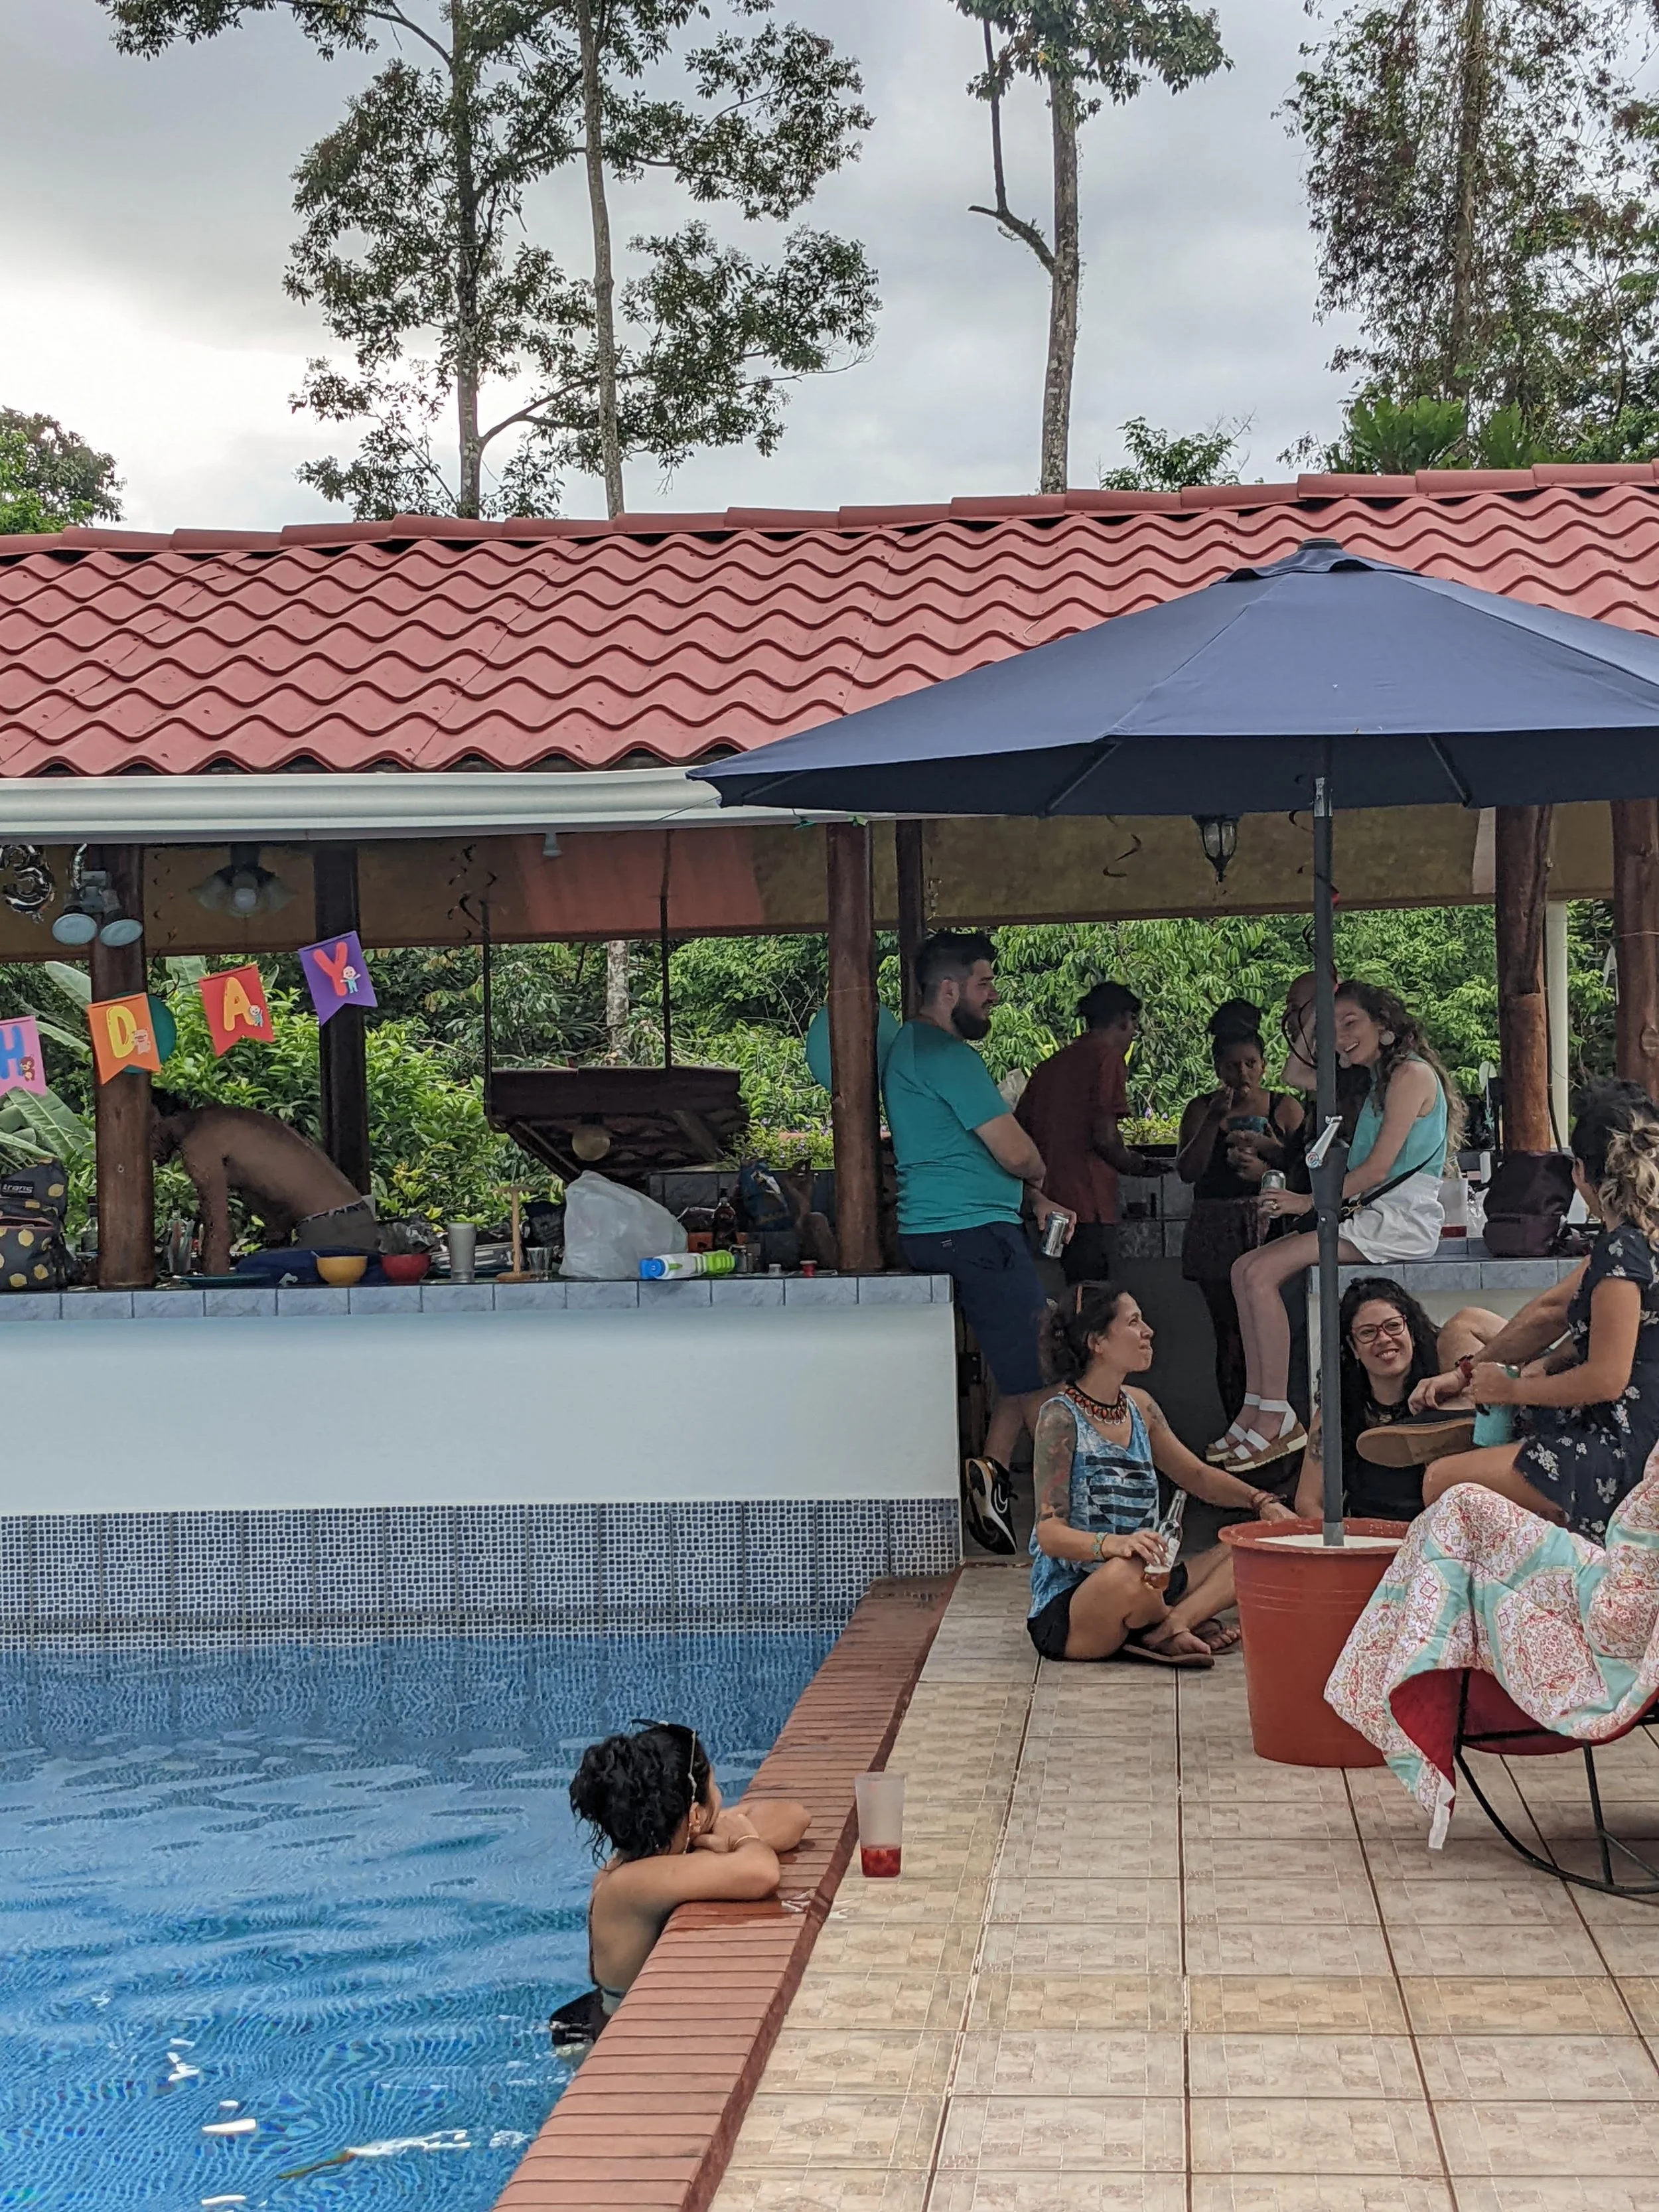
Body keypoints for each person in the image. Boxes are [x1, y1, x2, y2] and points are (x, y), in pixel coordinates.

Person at [1327, 1467, 1659, 1846]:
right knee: (1458, 1507)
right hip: (1622, 1582)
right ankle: (1396, 1690)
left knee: (1458, 1503)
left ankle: (1397, 1696)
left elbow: (1631, 1595)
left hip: (1624, 1618)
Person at [1219, 981, 1461, 1472]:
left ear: (1386, 1026)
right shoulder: (1373, 1079)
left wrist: (1302, 1200)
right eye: (1335, 1028)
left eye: (1352, 1023)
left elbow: (1377, 1169)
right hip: (1374, 1215)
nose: (1342, 1037)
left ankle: (1277, 1414)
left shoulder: (1411, 1075)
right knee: (1245, 1268)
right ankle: (1258, 1407)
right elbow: (1294, 1071)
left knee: (1262, 1273)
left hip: (1398, 1220)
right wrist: (1318, 1014)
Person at [887, 931, 1075, 1556]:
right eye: (985, 982)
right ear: (950, 989)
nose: (993, 995)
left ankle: (989, 1477)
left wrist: (1030, 1196)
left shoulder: (911, 1049)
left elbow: (965, 1153)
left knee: (1016, 1357)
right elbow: (1016, 1150)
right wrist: (1039, 1176)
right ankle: (1070, 1518)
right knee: (1043, 1368)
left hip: (950, 1228)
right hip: (970, 1233)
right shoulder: (947, 1055)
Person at [1413, 1082, 1659, 1542]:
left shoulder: (1620, 1250)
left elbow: (1608, 1376)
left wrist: (1508, 1389)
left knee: (1440, 1481)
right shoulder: (1645, 1239)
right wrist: (1551, 1360)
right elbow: (1620, 1328)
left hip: (1623, 1450)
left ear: (1581, 1172)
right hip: (1641, 1436)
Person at [1028, 1282, 1298, 1666]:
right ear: (1097, 1342)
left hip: (1150, 1582)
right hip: (1079, 1606)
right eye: (1134, 1322)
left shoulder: (1141, 1407)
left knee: (1260, 1548)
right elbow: (1050, 1534)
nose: (1148, 1331)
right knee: (1126, 1575)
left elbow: (1198, 1477)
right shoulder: (1059, 1417)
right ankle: (1171, 1626)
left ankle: (1170, 1626)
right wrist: (1115, 1545)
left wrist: (1262, 1502)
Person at [557, 1721, 811, 2050]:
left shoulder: (659, 1852)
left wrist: (720, 1837)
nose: (721, 1798)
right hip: (601, 2036)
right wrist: (742, 1840)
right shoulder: (629, 1883)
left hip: (609, 2013)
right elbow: (762, 1872)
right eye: (715, 1787)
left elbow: (794, 1817)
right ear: (694, 1815)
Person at [1177, 1003, 1305, 1423]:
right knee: (1230, 1334)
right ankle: (1237, 1420)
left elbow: (1306, 1169)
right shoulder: (1200, 1109)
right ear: (1217, 1068)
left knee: (1270, 1332)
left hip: (1268, 1223)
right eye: (1232, 1066)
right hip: (1215, 1228)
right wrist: (1213, 1120)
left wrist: (1269, 1164)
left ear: (1265, 1065)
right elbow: (1188, 1171)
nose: (1243, 1075)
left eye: (1251, 1064)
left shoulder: (1284, 1107)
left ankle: (1276, 1420)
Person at [1291, 1276, 1503, 1522]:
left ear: (1411, 1332)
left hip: (1442, 1535)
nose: (1383, 1339)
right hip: (1370, 1538)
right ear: (1353, 1347)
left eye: (1393, 1326)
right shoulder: (1339, 1408)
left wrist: (1462, 1377)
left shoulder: (1444, 1385)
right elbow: (1308, 1502)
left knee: (1463, 1324)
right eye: (1368, 1333)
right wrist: (1349, 1543)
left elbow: (1490, 1328)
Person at [151, 1092, 380, 1274]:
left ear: (153, 1119)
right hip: (349, 1221)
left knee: (255, 1272)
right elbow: (272, 1215)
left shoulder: (198, 1143)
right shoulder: (219, 1119)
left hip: (332, 1230)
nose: (145, 1156)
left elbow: (217, 1228)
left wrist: (214, 1287)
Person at [1015, 981, 1150, 1284]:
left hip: (1050, 1201)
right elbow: (1104, 1137)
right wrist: (1136, 1164)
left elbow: (1020, 1129)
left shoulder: (1050, 1066)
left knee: (1071, 1289)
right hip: (1089, 1203)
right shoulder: (1107, 1058)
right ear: (1124, 1020)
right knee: (1094, 1298)